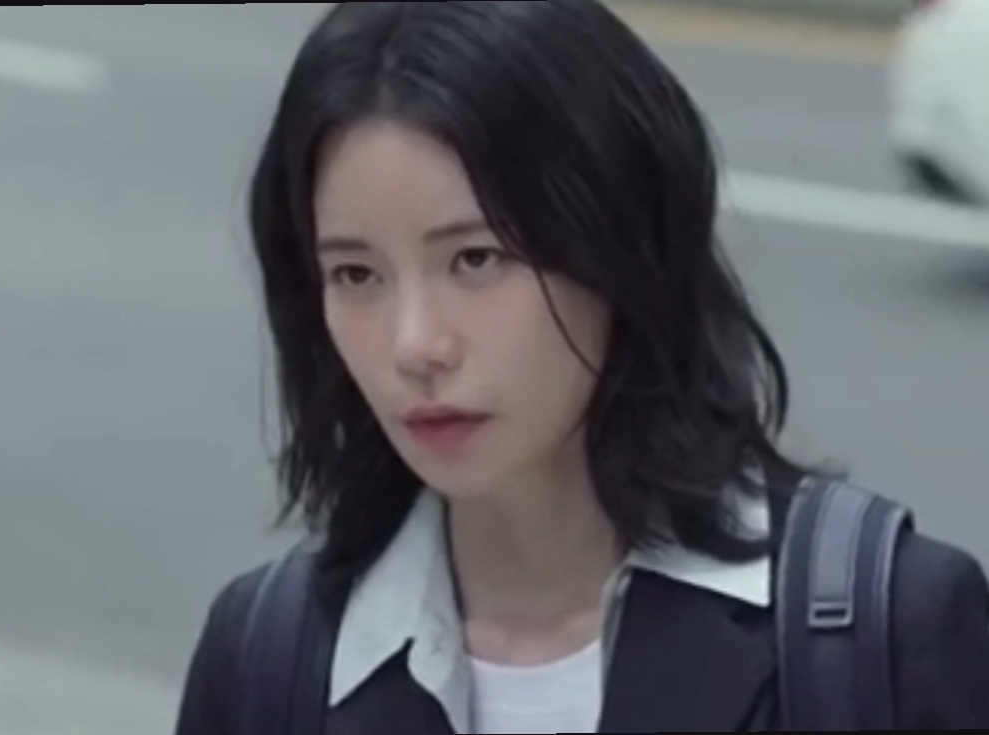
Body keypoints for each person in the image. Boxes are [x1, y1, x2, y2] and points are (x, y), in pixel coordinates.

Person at [175, 2, 989, 733]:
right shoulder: (270, 657)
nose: (414, 344)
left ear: (620, 245)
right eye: (356, 275)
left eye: (477, 258)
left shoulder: (883, 631)